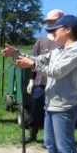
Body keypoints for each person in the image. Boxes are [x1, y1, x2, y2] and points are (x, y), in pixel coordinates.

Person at [2, 15, 77, 153]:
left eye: (55, 29)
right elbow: (39, 58)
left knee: (66, 148)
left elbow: (57, 72)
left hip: (65, 106)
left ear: (67, 30)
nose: (52, 32)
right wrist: (16, 53)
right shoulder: (59, 49)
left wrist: (32, 64)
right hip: (52, 103)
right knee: (51, 144)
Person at [24, 9, 63, 143]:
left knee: (55, 111)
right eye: (48, 21)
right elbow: (34, 61)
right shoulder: (40, 41)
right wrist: (31, 80)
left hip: (58, 83)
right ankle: (32, 133)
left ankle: (53, 138)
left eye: (52, 21)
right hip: (40, 81)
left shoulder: (64, 42)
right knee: (35, 106)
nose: (49, 24)